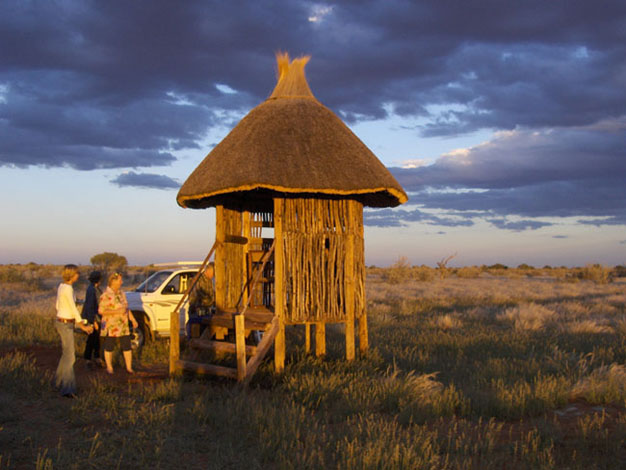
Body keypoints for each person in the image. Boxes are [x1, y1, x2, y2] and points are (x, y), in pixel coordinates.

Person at [54, 264, 93, 398]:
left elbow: (58, 305)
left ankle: (58, 382)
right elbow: (72, 308)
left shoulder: (61, 287)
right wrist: (82, 325)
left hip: (61, 321)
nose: (78, 275)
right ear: (71, 275)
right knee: (70, 357)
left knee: (66, 355)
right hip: (65, 324)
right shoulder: (68, 289)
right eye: (77, 273)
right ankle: (68, 389)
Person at [99, 272, 138, 374]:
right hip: (111, 325)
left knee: (127, 345)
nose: (122, 282)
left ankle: (129, 368)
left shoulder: (121, 294)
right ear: (113, 281)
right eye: (120, 280)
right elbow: (101, 311)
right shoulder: (105, 295)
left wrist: (132, 319)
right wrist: (116, 312)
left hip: (123, 324)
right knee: (109, 345)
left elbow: (126, 308)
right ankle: (109, 367)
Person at [187, 263, 215, 338]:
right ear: (208, 271)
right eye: (213, 273)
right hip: (197, 311)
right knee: (196, 334)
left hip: (205, 311)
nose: (213, 275)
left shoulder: (209, 281)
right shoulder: (199, 280)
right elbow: (201, 296)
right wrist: (212, 301)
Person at [82, 271, 103, 369]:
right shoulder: (92, 290)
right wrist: (93, 321)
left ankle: (96, 357)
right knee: (92, 338)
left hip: (96, 317)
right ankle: (88, 359)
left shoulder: (94, 288)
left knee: (96, 338)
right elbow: (90, 306)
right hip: (93, 318)